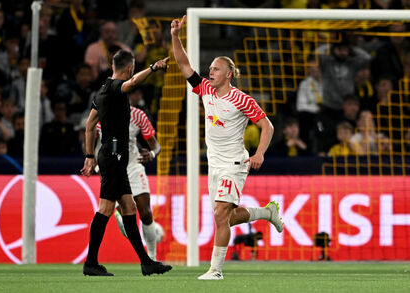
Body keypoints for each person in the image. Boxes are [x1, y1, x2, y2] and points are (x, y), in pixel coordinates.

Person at [171, 16, 283, 280]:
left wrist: (259, 153)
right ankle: (267, 213)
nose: (211, 71)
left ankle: (215, 270)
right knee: (228, 217)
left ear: (229, 74)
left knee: (221, 214)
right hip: (214, 164)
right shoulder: (206, 90)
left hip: (234, 163)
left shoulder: (241, 99)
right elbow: (184, 64)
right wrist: (175, 36)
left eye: (216, 69)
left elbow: (268, 126)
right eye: (210, 68)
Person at [80, 49, 172, 276]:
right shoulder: (115, 88)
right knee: (106, 209)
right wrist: (153, 68)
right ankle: (91, 263)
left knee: (130, 208)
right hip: (114, 158)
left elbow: (90, 125)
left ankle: (146, 262)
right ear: (129, 68)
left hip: (113, 159)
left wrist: (90, 156)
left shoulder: (101, 91)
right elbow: (130, 84)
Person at [94, 103, 162, 261]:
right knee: (127, 223)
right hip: (111, 168)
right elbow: (89, 137)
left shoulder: (137, 115)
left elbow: (155, 145)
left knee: (145, 213)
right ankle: (118, 213)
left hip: (133, 166)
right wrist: (93, 160)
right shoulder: (101, 113)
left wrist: (151, 154)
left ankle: (152, 257)